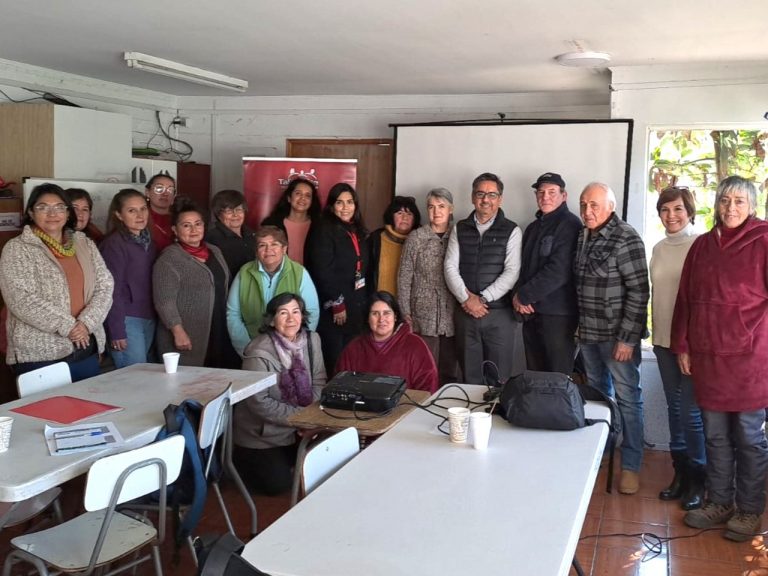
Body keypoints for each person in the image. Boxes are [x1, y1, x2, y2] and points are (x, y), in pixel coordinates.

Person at [672, 176, 768, 541]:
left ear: (752, 206)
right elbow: (685, 299)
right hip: (708, 358)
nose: (731, 208)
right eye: (725, 200)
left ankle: (749, 509)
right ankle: (720, 502)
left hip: (751, 360)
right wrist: (683, 344)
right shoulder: (702, 246)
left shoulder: (764, 240)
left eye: (739, 201)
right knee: (715, 436)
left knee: (749, 438)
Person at [575, 182, 649, 495]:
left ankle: (631, 465)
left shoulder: (626, 236)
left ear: (611, 206)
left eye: (594, 205)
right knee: (598, 396)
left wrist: (628, 340)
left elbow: (639, 291)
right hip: (588, 334)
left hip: (617, 338)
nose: (587, 211)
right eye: (583, 204)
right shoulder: (583, 235)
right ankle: (602, 451)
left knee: (628, 399)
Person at [0, 183, 113, 381]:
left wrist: (86, 324)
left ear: (68, 213)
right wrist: (69, 327)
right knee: (48, 403)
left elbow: (105, 286)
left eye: (60, 207)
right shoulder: (17, 248)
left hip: (85, 345)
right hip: (40, 354)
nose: (52, 213)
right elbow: (20, 299)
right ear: (31, 213)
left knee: (88, 401)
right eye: (43, 207)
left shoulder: (84, 243)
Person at [233, 293, 326, 495]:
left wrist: (309, 419)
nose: (291, 319)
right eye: (283, 313)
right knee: (278, 486)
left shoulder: (312, 340)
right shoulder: (257, 351)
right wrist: (301, 418)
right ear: (271, 320)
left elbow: (319, 380)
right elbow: (259, 402)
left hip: (299, 426)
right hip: (264, 434)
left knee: (323, 468)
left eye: (296, 312)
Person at [650, 185, 705, 510]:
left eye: (678, 209)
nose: (671, 216)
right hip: (662, 341)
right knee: (674, 409)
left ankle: (699, 479)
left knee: (691, 413)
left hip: (690, 345)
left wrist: (690, 344)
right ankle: (680, 475)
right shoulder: (658, 248)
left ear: (690, 212)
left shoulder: (700, 245)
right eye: (665, 209)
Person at [444, 172, 524, 386]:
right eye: (480, 194)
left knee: (498, 378)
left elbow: (512, 271)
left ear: (500, 199)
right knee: (469, 378)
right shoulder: (459, 228)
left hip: (499, 315)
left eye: (492, 195)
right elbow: (450, 266)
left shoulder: (512, 230)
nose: (485, 199)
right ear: (472, 197)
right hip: (466, 314)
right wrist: (466, 299)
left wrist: (482, 299)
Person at [153, 198, 239, 368]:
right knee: (188, 379)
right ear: (175, 230)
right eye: (186, 225)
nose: (194, 230)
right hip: (187, 334)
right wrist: (177, 331)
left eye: (198, 224)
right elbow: (164, 301)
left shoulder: (214, 251)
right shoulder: (169, 259)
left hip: (218, 328)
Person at [512, 172, 581, 374]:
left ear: (564, 196)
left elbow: (559, 270)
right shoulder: (532, 228)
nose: (545, 197)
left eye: (552, 192)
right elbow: (522, 268)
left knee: (557, 376)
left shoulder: (570, 225)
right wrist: (517, 296)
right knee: (535, 375)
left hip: (558, 316)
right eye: (541, 192)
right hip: (530, 314)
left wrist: (523, 296)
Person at [305, 183, 369, 373]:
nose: (345, 207)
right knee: (336, 360)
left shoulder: (357, 229)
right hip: (335, 308)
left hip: (356, 304)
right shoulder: (323, 229)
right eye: (340, 202)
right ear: (332, 206)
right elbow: (321, 269)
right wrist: (337, 302)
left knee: (353, 360)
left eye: (349, 202)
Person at [397, 187, 459, 386]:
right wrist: (406, 311)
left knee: (450, 370)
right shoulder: (416, 238)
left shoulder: (458, 235)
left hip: (453, 314)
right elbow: (404, 277)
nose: (436, 211)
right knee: (425, 369)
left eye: (441, 206)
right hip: (423, 315)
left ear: (451, 209)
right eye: (431, 207)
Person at [227, 225, 320, 356]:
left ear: (284, 249)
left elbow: (312, 312)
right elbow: (233, 314)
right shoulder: (244, 273)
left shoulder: (299, 272)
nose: (268, 250)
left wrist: (295, 347)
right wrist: (247, 349)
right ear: (256, 251)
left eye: (274, 244)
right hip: (252, 348)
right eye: (262, 245)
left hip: (291, 350)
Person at [99, 188, 158, 368]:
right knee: (135, 375)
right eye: (132, 210)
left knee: (147, 373)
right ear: (119, 215)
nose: (140, 215)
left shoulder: (149, 241)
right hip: (126, 318)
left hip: (149, 315)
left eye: (143, 209)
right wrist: (117, 330)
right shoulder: (114, 245)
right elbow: (111, 290)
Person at [337, 291, 438, 393]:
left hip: (407, 403)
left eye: (386, 313)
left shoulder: (416, 345)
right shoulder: (353, 348)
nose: (381, 319)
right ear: (368, 318)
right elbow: (339, 386)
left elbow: (428, 386)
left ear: (395, 316)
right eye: (375, 313)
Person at [368, 196, 421, 296]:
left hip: (410, 303)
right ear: (391, 216)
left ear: (415, 219)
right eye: (400, 213)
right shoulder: (375, 239)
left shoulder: (421, 241)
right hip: (380, 303)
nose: (405, 218)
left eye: (409, 214)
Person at [262, 176, 321, 264]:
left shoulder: (320, 226)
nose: (303, 198)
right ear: (289, 198)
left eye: (307, 195)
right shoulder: (272, 224)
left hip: (310, 273)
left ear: (312, 201)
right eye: (298, 193)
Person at [205, 189, 256, 280]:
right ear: (218, 214)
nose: (235, 215)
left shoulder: (252, 234)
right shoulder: (212, 239)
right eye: (229, 211)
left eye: (239, 210)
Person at [145, 173, 177, 252]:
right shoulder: (140, 218)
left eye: (170, 190)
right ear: (147, 192)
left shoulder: (180, 217)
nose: (165, 194)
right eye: (159, 189)